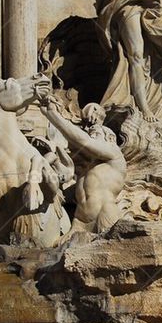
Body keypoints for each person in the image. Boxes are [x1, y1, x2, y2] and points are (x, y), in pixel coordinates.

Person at [40, 97, 126, 233]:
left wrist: (52, 115)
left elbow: (84, 141)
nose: (92, 137)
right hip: (79, 221)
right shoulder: (88, 168)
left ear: (110, 138)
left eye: (96, 134)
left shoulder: (115, 155)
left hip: (104, 215)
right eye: (91, 134)